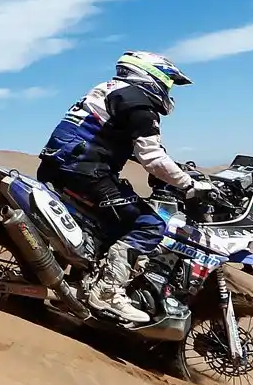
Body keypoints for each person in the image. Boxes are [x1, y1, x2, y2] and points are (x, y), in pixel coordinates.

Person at [36, 50, 214, 325]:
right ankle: (107, 291)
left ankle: (83, 279)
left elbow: (113, 139)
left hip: (60, 167)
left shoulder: (111, 91)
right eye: (167, 83)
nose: (168, 90)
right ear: (151, 76)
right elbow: (152, 157)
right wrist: (188, 184)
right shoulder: (138, 102)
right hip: (85, 173)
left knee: (110, 225)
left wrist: (174, 168)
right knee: (148, 224)